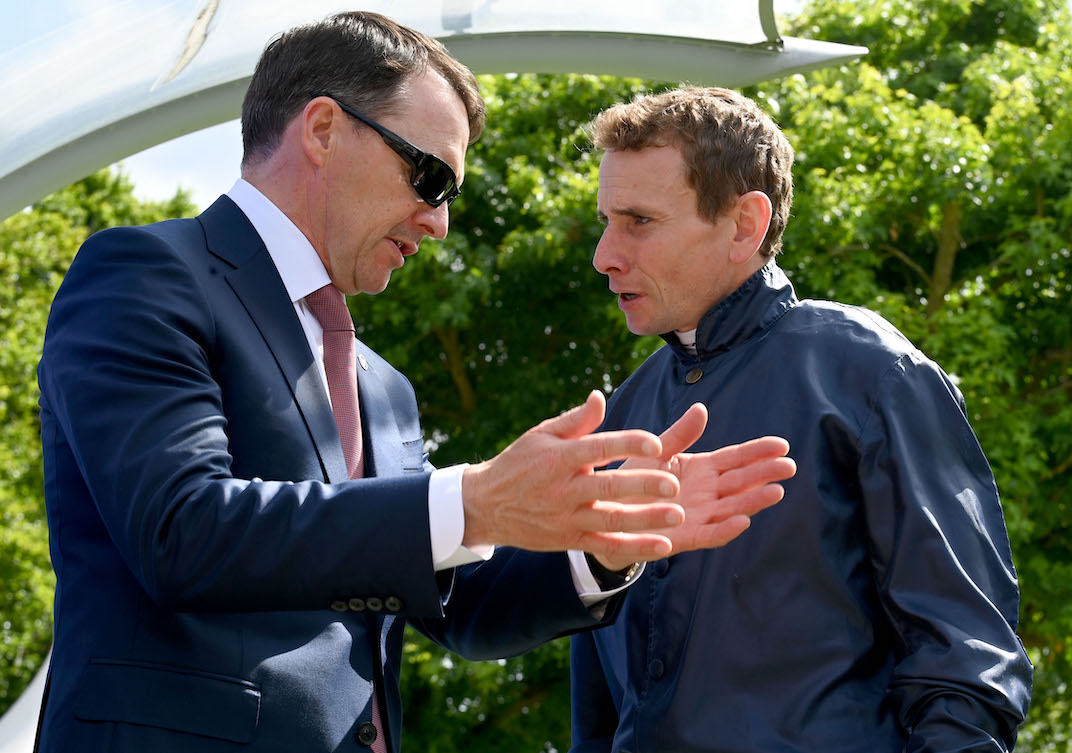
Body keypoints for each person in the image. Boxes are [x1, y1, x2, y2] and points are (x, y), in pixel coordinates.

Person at [34, 16, 796, 753]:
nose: (437, 223)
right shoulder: (145, 274)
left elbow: (453, 600)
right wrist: (473, 499)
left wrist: (596, 540)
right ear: (323, 129)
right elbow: (182, 530)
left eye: (449, 195)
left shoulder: (383, 386)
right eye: (429, 176)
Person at [570, 87, 1034, 752]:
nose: (604, 255)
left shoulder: (871, 375)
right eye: (606, 221)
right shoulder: (622, 414)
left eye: (638, 221)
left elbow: (966, 654)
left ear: (744, 224)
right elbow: (597, 699)